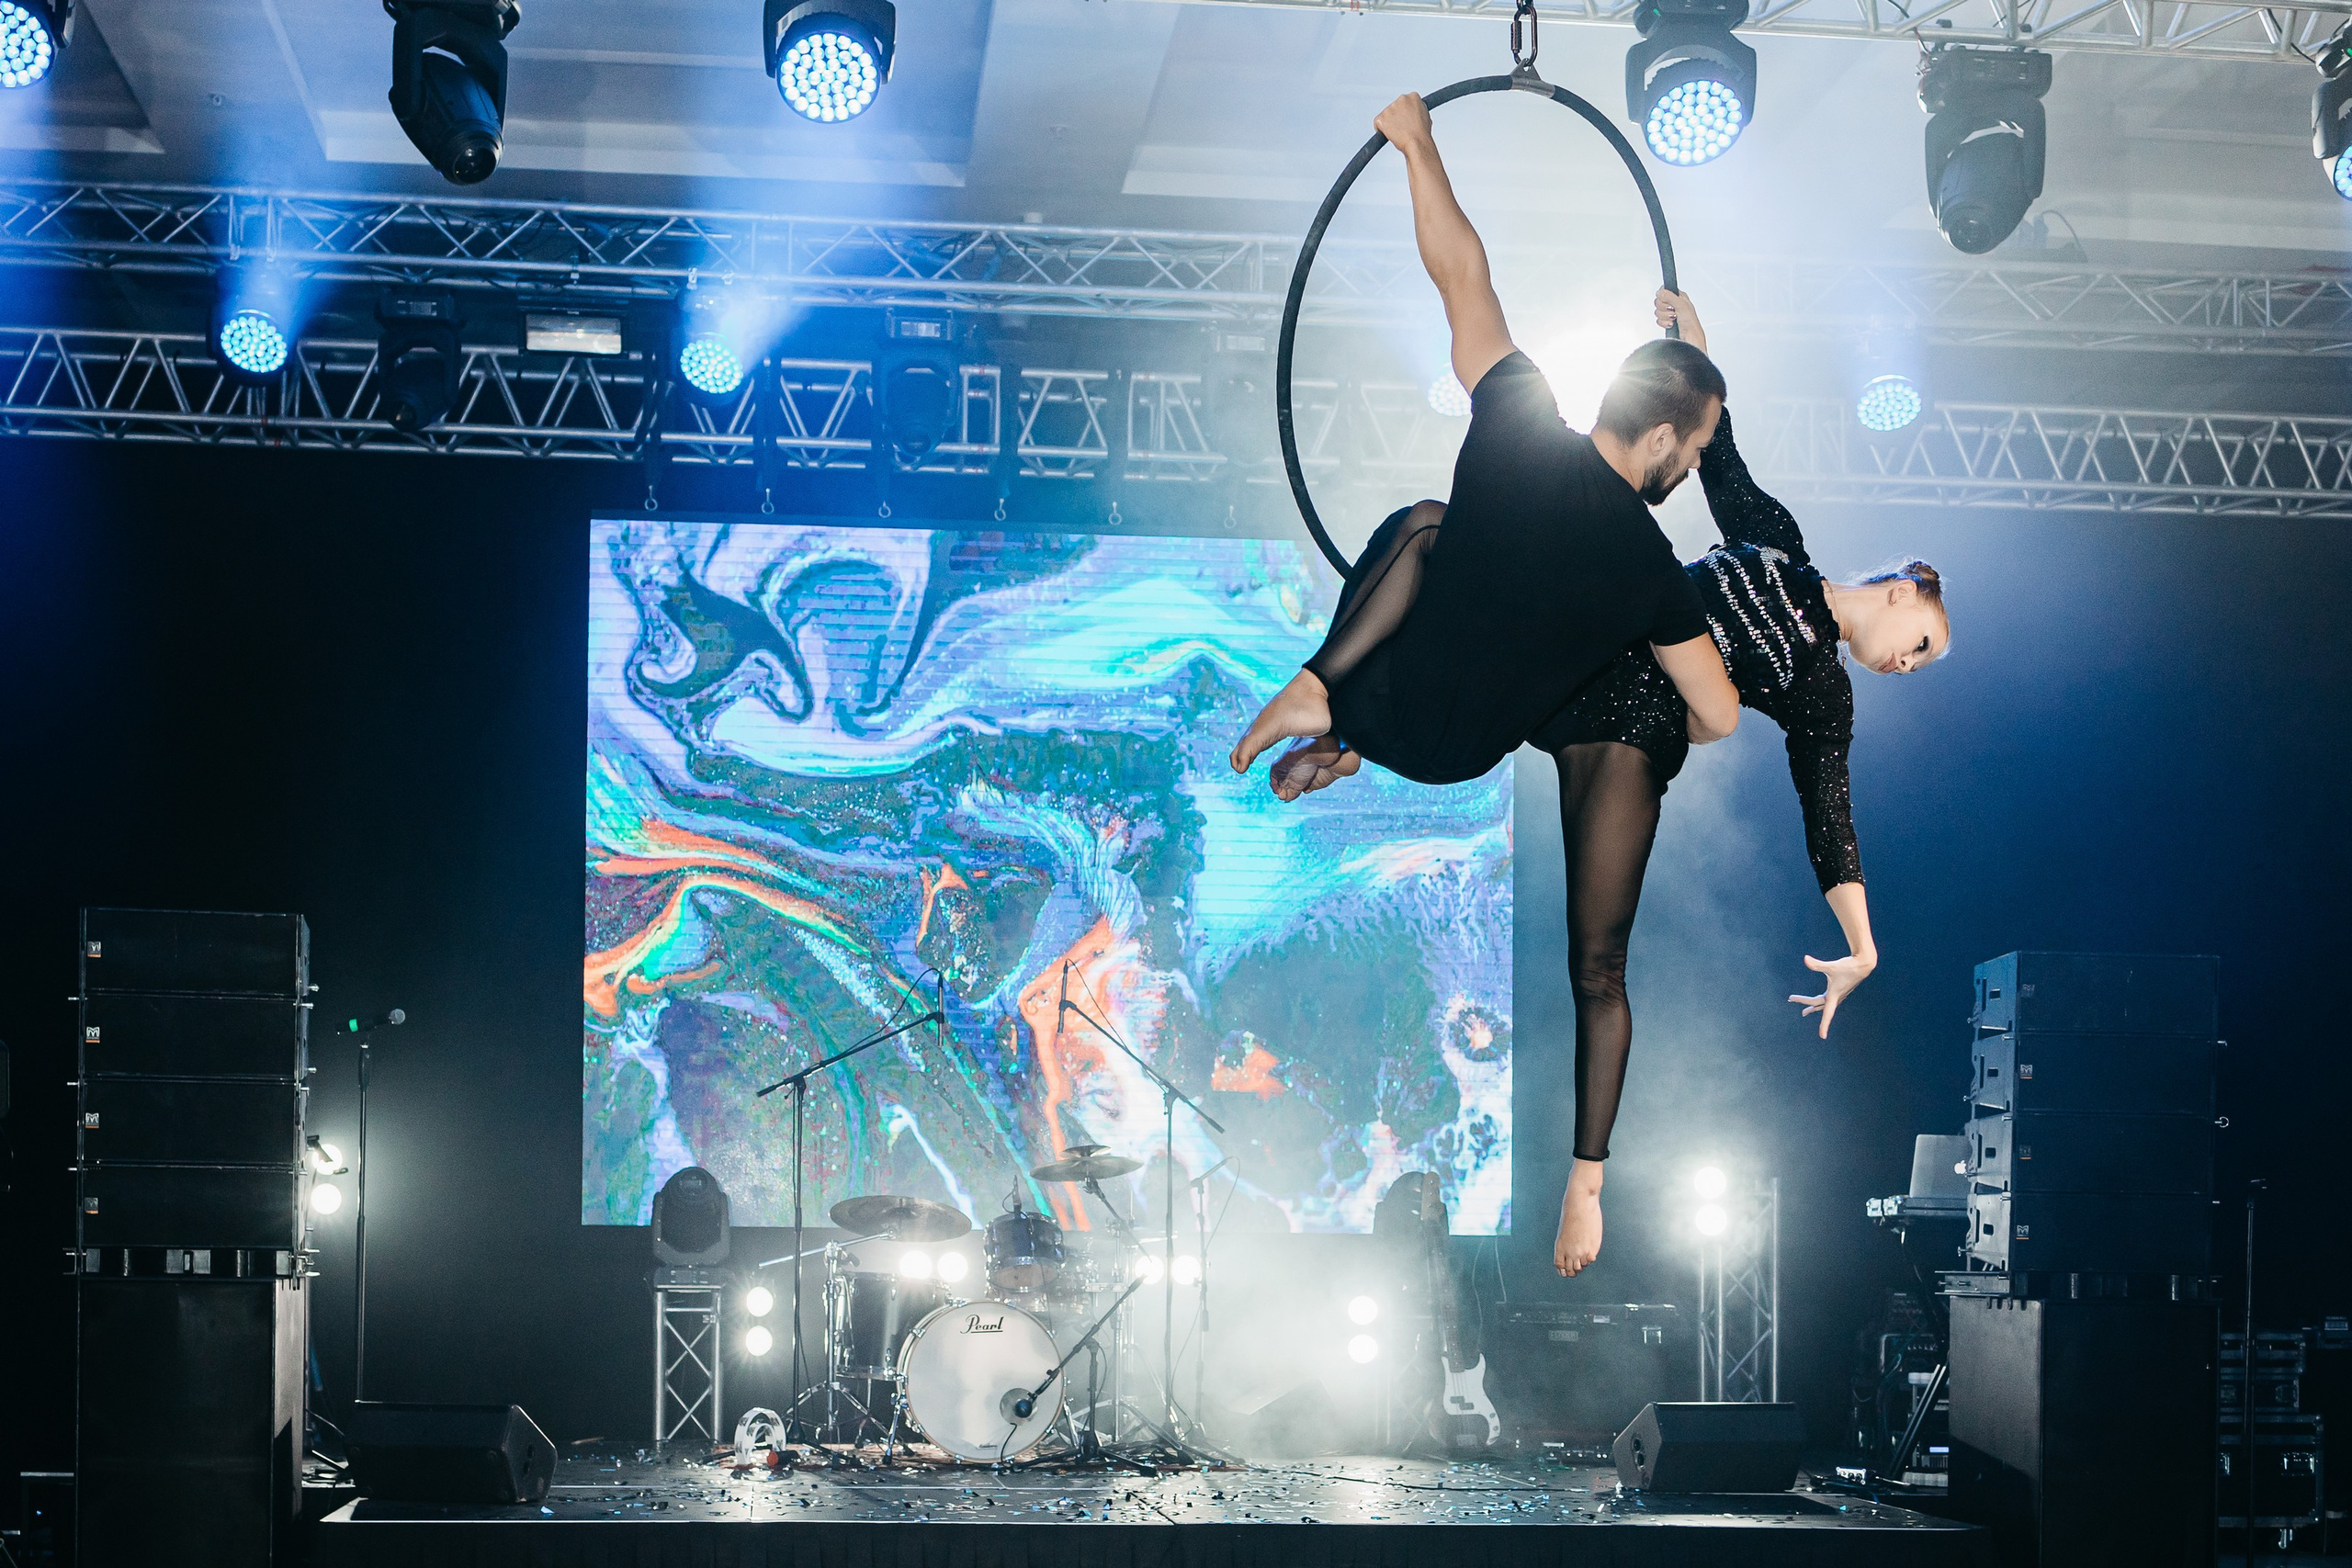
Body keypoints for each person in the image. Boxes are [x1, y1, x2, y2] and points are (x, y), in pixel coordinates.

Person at [1261, 287, 1952, 1280]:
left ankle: (1584, 1181)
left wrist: (1861, 945)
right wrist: (1694, 348)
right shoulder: (1777, 540)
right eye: (1918, 645)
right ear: (1899, 592)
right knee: (1446, 556)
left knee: (1599, 964)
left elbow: (1829, 813)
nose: (1908, 664)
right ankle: (1348, 736)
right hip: (1584, 639)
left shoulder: (1824, 697)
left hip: (1631, 730)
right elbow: (1711, 443)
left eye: (1920, 665)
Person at [1228, 91, 1743, 807]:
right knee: (1461, 558)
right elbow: (1719, 715)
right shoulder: (1656, 575)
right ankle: (1336, 736)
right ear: (1660, 436)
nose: (1693, 464)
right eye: (1694, 448)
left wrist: (1417, 144)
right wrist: (1658, 705)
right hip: (1458, 756)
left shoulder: (1519, 420)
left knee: (1425, 525)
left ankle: (1322, 691)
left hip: (1382, 692)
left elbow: (1462, 275)